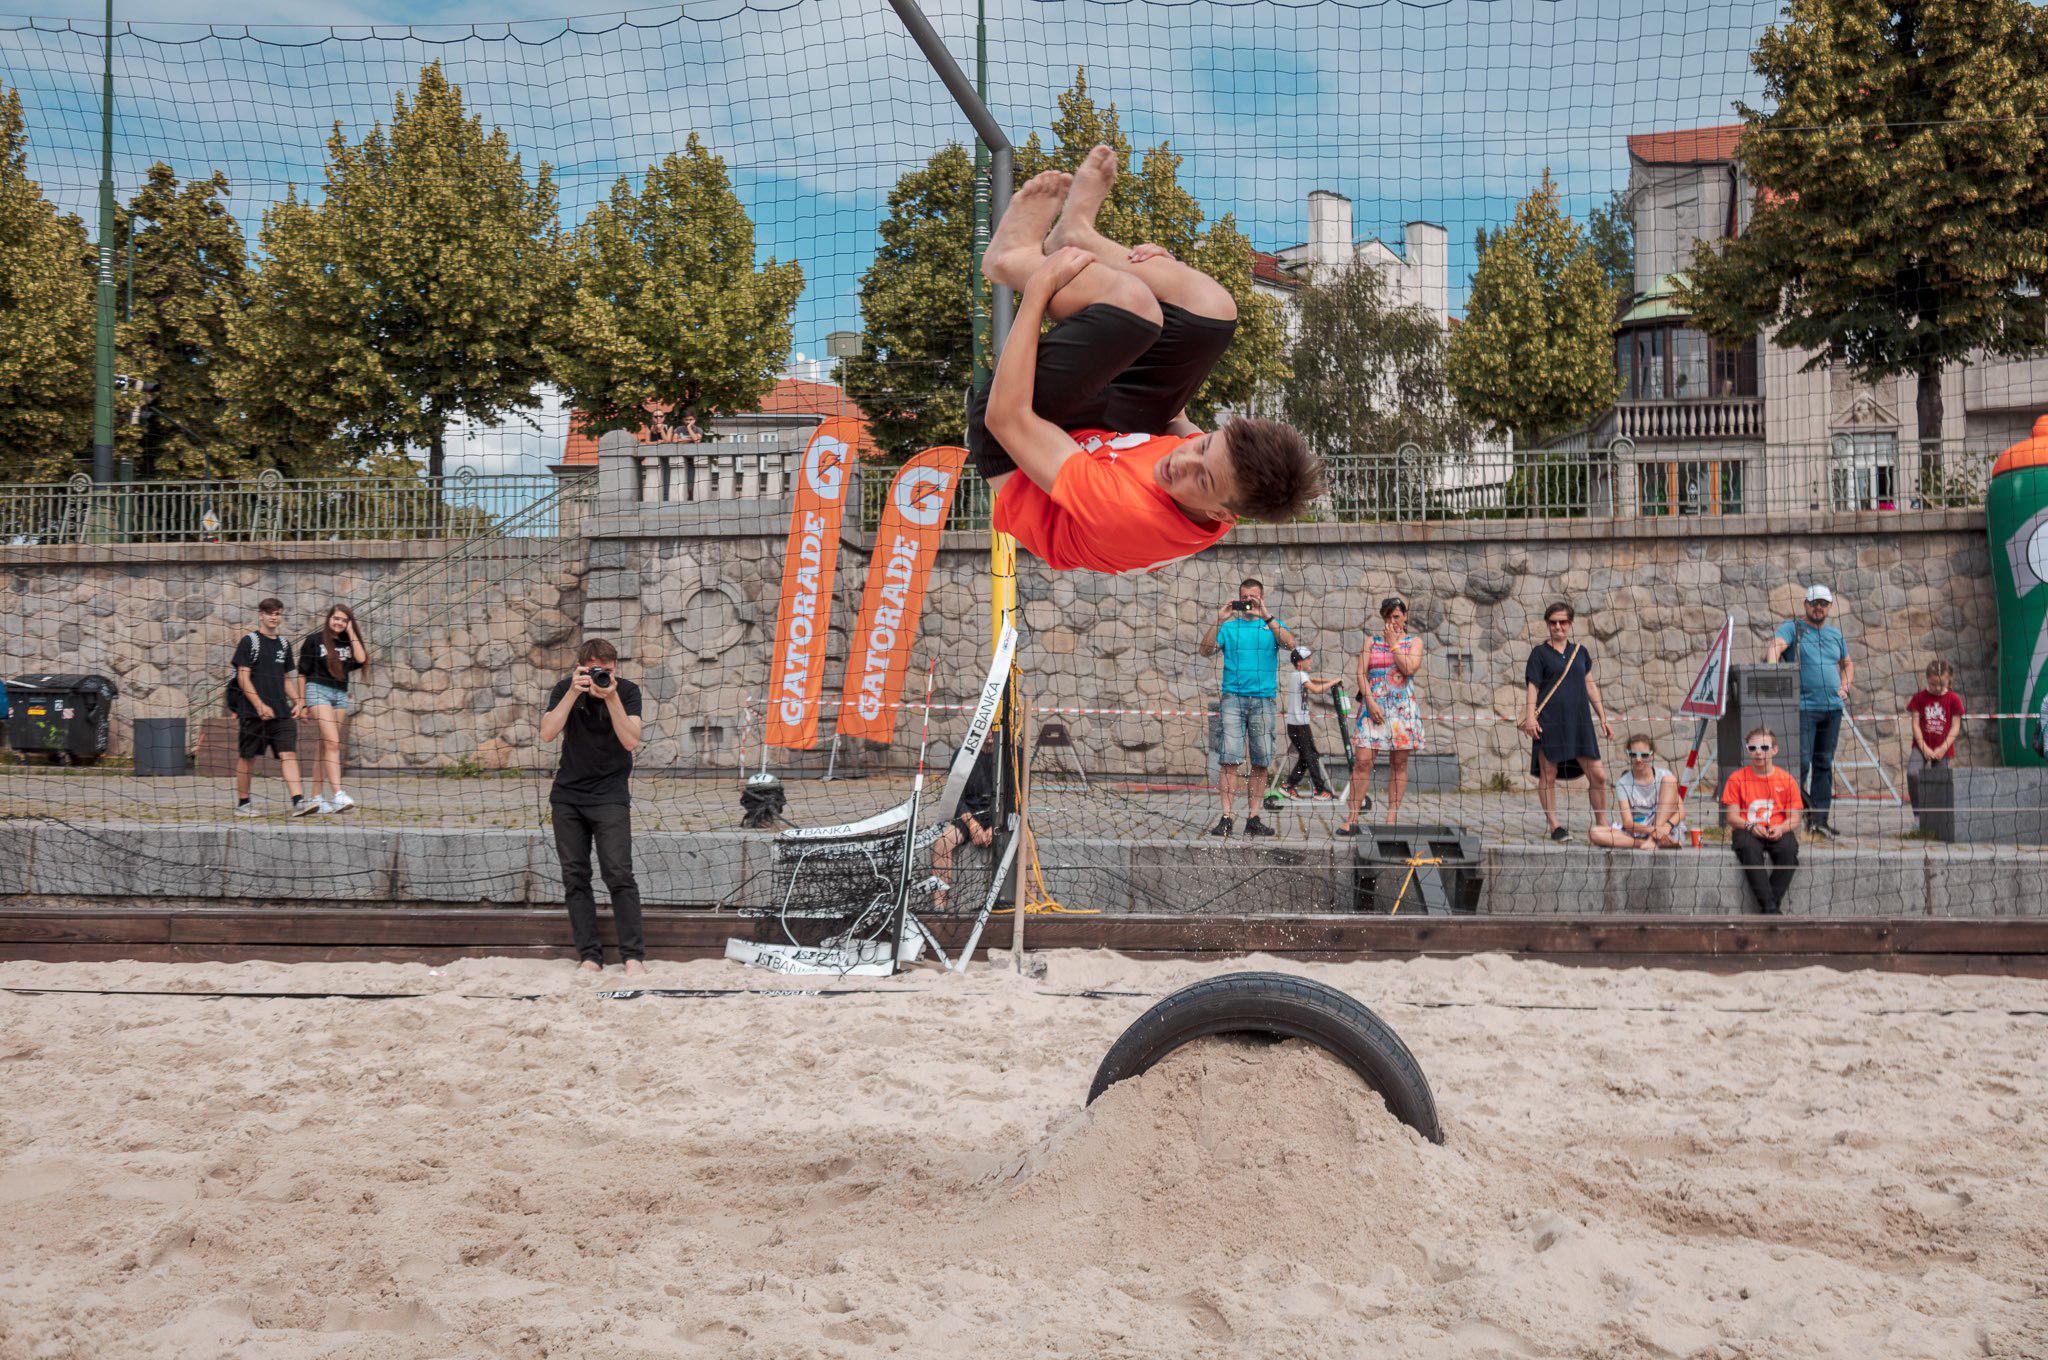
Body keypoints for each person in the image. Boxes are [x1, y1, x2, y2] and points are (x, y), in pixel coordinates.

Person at [970, 147, 1321, 575]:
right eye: (1205, 445)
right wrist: (1170, 281)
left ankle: (1013, 261)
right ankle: (1076, 235)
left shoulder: (1123, 512)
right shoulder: (1221, 475)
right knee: (1210, 309)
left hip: (1012, 441)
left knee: (1131, 305)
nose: (1182, 462)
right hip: (1102, 431)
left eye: (1203, 479)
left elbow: (1005, 419)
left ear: (1224, 516)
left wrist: (1039, 291)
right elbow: (1174, 414)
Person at [540, 639, 647, 975]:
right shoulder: (564, 689)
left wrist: (610, 695)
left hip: (610, 795)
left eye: (608, 671)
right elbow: (546, 733)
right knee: (575, 877)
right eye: (595, 671)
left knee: (619, 874)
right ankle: (589, 957)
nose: (602, 675)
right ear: (581, 667)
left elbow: (630, 740)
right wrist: (573, 692)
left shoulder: (626, 691)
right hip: (568, 796)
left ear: (616, 668)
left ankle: (632, 957)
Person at [1198, 578, 1297, 837]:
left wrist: (1266, 616)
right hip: (1233, 699)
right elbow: (1205, 651)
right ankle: (1227, 817)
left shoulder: (1271, 625)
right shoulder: (1230, 627)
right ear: (1239, 598)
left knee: (1262, 759)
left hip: (1263, 700)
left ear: (1262, 598)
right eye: (1245, 596)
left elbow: (1291, 644)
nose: (1249, 600)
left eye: (1254, 596)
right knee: (1229, 758)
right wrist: (1219, 619)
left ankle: (1253, 817)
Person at [1520, 602, 1614, 842]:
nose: (1558, 626)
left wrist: (1603, 716)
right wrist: (1530, 717)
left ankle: (1602, 823)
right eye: (1553, 622)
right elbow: (1533, 686)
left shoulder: (1580, 652)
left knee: (1599, 775)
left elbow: (1590, 685)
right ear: (1548, 624)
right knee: (1548, 774)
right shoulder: (1538, 654)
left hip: (1580, 723)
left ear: (1570, 624)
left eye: (1562, 622)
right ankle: (1555, 826)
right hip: (1550, 722)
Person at [1766, 584, 1854, 838]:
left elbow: (1847, 663)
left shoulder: (1835, 635)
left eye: (1823, 603)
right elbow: (1775, 646)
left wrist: (1846, 685)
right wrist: (1774, 672)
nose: (1819, 607)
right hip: (1803, 709)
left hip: (1832, 709)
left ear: (1829, 607)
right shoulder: (1794, 628)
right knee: (1801, 763)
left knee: (1824, 763)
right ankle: (1793, 817)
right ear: (1806, 604)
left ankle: (1819, 821)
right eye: (1814, 602)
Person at [1338, 597, 1425, 835]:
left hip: (1401, 710)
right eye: (1387, 617)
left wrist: (1394, 644)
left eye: (1396, 616)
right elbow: (1360, 673)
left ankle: (1391, 818)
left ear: (1405, 617)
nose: (1392, 621)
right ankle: (1352, 817)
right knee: (1363, 761)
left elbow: (1408, 669)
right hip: (1373, 706)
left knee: (1399, 763)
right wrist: (1369, 701)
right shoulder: (1371, 642)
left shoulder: (1413, 642)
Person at [231, 597, 315, 818]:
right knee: (248, 757)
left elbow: (285, 678)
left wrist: (298, 701)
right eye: (269, 613)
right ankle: (243, 803)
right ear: (261, 615)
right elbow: (242, 677)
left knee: (289, 753)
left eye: (277, 613)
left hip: (281, 712)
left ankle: (299, 802)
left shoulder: (284, 644)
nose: (273, 617)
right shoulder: (250, 642)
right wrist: (259, 705)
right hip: (253, 713)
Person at [1721, 726, 1803, 914]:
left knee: (1789, 851)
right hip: (1747, 829)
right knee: (1748, 849)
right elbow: (1732, 817)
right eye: (1753, 748)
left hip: (1777, 828)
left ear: (1775, 750)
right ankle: (1771, 909)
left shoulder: (1786, 780)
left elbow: (1794, 818)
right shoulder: (1737, 778)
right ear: (1748, 750)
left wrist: (1782, 828)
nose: (1758, 753)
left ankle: (1769, 907)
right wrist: (1750, 825)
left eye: (1764, 748)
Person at [296, 604, 369, 814]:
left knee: (325, 747)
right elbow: (302, 672)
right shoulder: (314, 640)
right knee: (333, 743)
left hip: (340, 695)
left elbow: (362, 659)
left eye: (344, 620)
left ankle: (316, 797)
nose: (338, 622)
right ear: (329, 618)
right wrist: (301, 702)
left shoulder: (348, 641)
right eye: (336, 618)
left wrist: (352, 632)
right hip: (317, 691)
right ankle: (338, 794)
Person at [1589, 736, 1688, 849]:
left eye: (1644, 755)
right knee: (1594, 833)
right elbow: (1628, 823)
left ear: (1652, 755)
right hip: (1640, 830)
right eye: (1633, 755)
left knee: (1670, 780)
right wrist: (1654, 830)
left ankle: (1652, 840)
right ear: (1628, 754)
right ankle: (1645, 843)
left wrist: (1666, 827)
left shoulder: (1665, 776)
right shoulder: (1623, 783)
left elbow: (1681, 811)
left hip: (1667, 829)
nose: (1638, 759)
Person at [1278, 646, 1339, 801]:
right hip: (1299, 726)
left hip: (1298, 725)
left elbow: (1314, 680)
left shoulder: (1298, 675)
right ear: (1299, 663)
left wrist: (1332, 681)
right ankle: (1320, 790)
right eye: (1307, 658)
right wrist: (1333, 683)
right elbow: (1316, 689)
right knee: (1311, 757)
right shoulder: (1300, 676)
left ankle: (1289, 786)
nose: (1310, 660)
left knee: (1308, 756)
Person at [1904, 660, 1964, 812]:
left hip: (1943, 748)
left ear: (1948, 680)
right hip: (1921, 745)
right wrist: (1923, 747)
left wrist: (1943, 748)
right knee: (1913, 774)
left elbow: (1955, 727)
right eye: (1933, 684)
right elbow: (1915, 725)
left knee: (1939, 782)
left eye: (1941, 684)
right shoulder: (1919, 698)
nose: (1937, 688)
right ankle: (1918, 815)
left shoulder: (1954, 699)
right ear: (1927, 680)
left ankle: (1937, 820)